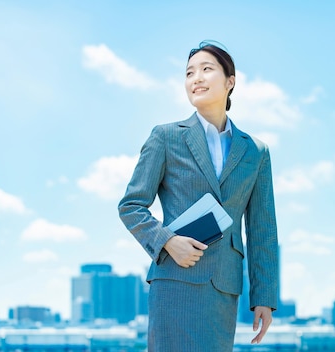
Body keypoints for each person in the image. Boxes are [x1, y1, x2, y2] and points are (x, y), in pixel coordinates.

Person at [117, 40, 279, 351]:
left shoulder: (256, 151)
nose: (196, 78)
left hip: (222, 287)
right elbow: (131, 206)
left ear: (230, 82)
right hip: (175, 280)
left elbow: (262, 229)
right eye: (190, 73)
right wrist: (166, 240)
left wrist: (264, 298)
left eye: (207, 69)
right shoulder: (166, 137)